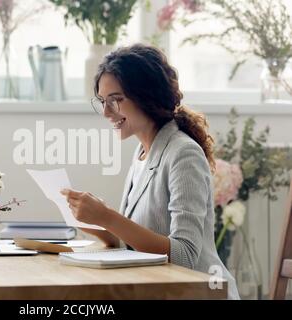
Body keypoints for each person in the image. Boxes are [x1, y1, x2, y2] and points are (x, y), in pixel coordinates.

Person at [60, 44, 239, 300]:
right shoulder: (143, 153)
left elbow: (184, 256)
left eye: (116, 100)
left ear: (146, 95)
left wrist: (108, 217)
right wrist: (94, 220)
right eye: (102, 102)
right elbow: (136, 244)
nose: (107, 112)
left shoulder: (183, 154)